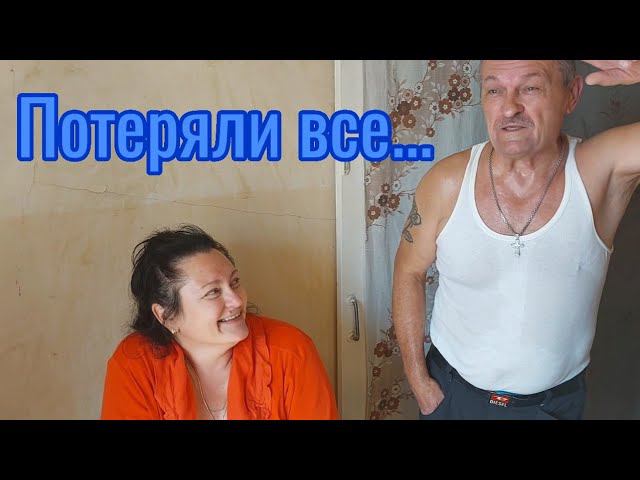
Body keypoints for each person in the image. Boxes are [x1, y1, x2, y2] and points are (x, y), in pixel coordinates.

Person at [392, 60, 640, 419]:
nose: (509, 108)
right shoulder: (446, 182)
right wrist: (418, 380)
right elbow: (408, 271)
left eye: (530, 87)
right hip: (451, 397)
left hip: (550, 408)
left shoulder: (600, 170)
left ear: (571, 95)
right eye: (494, 90)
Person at [101, 224, 339, 420]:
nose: (237, 300)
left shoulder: (290, 351)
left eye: (234, 282)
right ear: (166, 316)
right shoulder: (135, 364)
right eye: (213, 292)